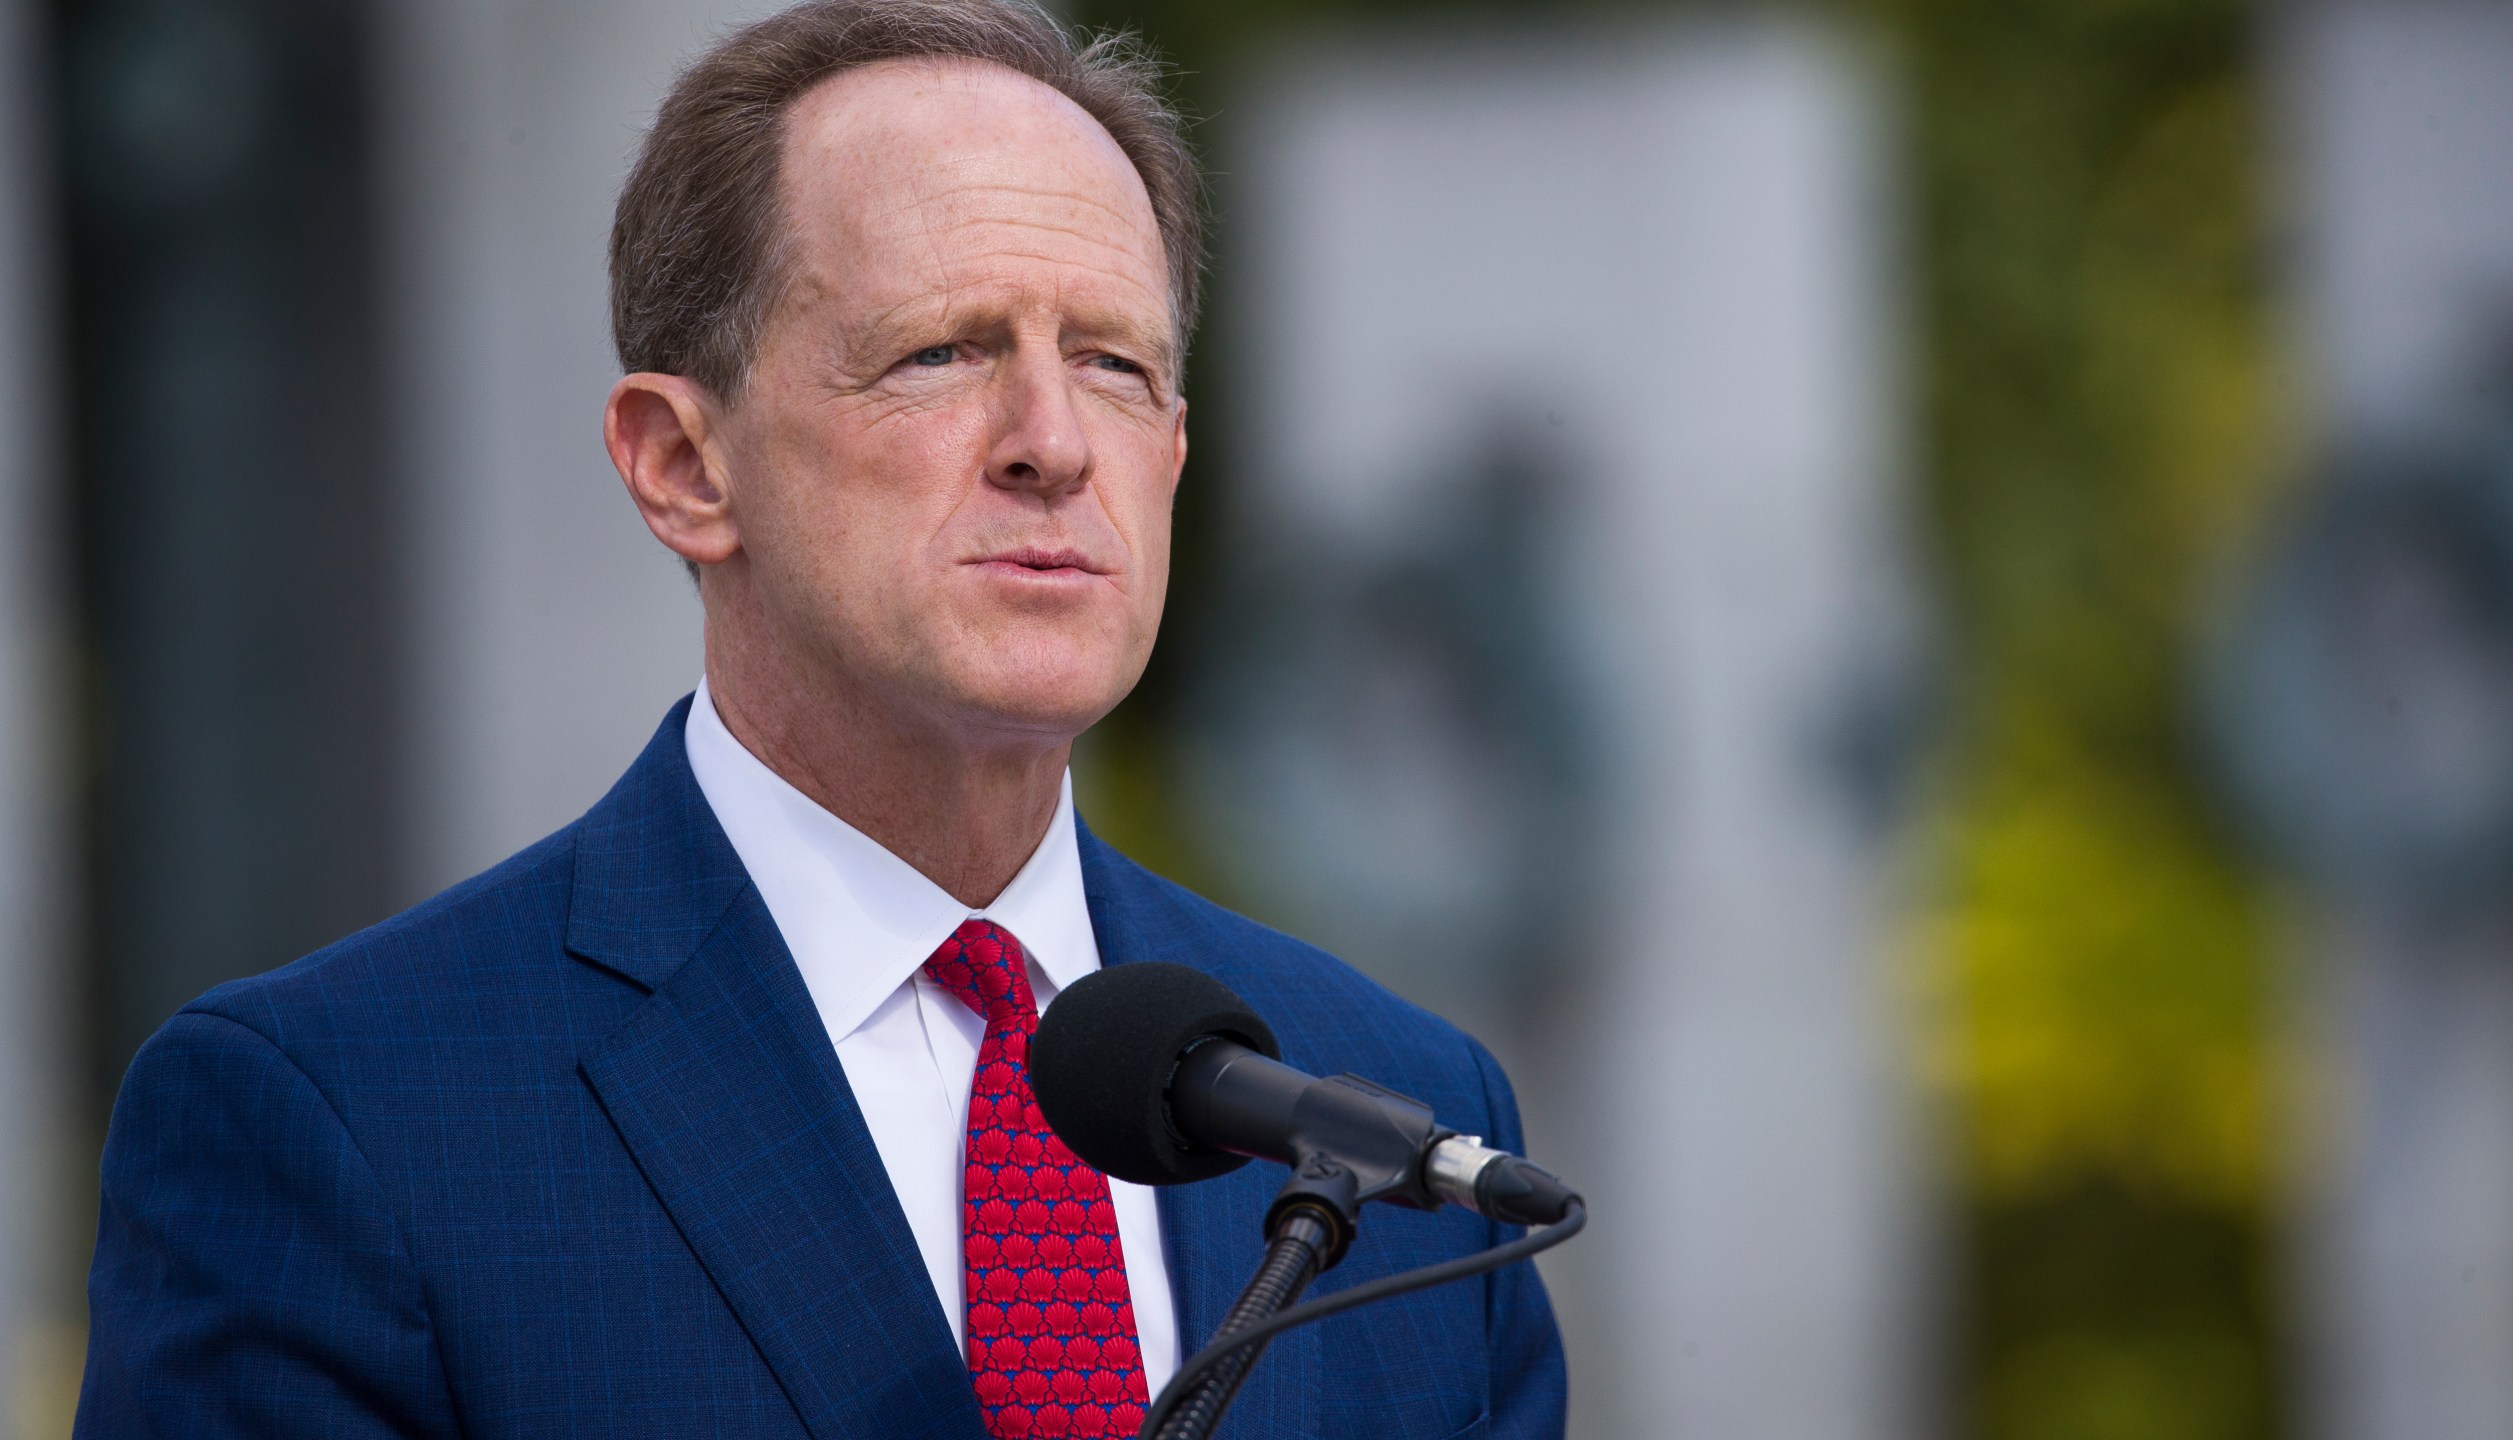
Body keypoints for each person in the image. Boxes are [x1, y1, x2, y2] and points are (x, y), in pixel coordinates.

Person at [74, 2, 1565, 1436]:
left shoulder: (1400, 1120)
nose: (1053, 443)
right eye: (942, 352)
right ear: (682, 466)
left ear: (1172, 454)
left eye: (1113, 363)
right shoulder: (338, 1118)